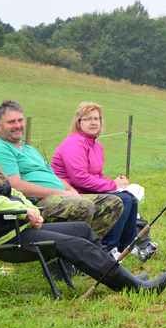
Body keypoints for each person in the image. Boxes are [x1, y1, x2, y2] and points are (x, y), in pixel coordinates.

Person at [0, 131, 166, 293]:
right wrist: (24, 212)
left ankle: (126, 278)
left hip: (21, 229)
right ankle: (134, 288)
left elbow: (15, 193)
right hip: (5, 239)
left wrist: (32, 210)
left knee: (83, 230)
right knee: (77, 244)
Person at [0, 100, 125, 245]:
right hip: (36, 202)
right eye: (11, 122)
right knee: (82, 206)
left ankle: (89, 248)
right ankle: (73, 250)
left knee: (113, 203)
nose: (17, 125)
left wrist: (71, 190)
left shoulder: (28, 149)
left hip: (60, 195)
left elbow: (52, 176)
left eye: (20, 120)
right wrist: (59, 193)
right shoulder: (0, 148)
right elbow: (16, 185)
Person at [50, 102, 141, 256]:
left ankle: (126, 246)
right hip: (70, 192)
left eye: (96, 118)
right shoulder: (73, 143)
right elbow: (79, 178)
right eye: (87, 119)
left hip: (86, 189)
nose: (93, 122)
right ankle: (107, 248)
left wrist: (117, 183)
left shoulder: (96, 146)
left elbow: (96, 175)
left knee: (130, 198)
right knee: (123, 199)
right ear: (79, 122)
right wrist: (113, 185)